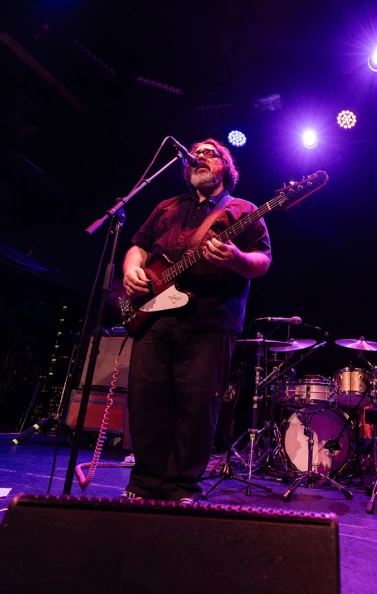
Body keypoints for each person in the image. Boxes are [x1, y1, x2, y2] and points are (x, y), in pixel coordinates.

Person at [120, 138, 272, 503]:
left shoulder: (244, 210)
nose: (198, 157)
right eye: (195, 153)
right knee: (146, 402)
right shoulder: (167, 206)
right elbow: (139, 245)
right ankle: (142, 485)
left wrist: (235, 257)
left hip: (210, 322)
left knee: (197, 408)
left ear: (226, 167)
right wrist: (130, 269)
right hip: (154, 318)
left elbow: (262, 261)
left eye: (209, 153)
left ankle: (180, 489)